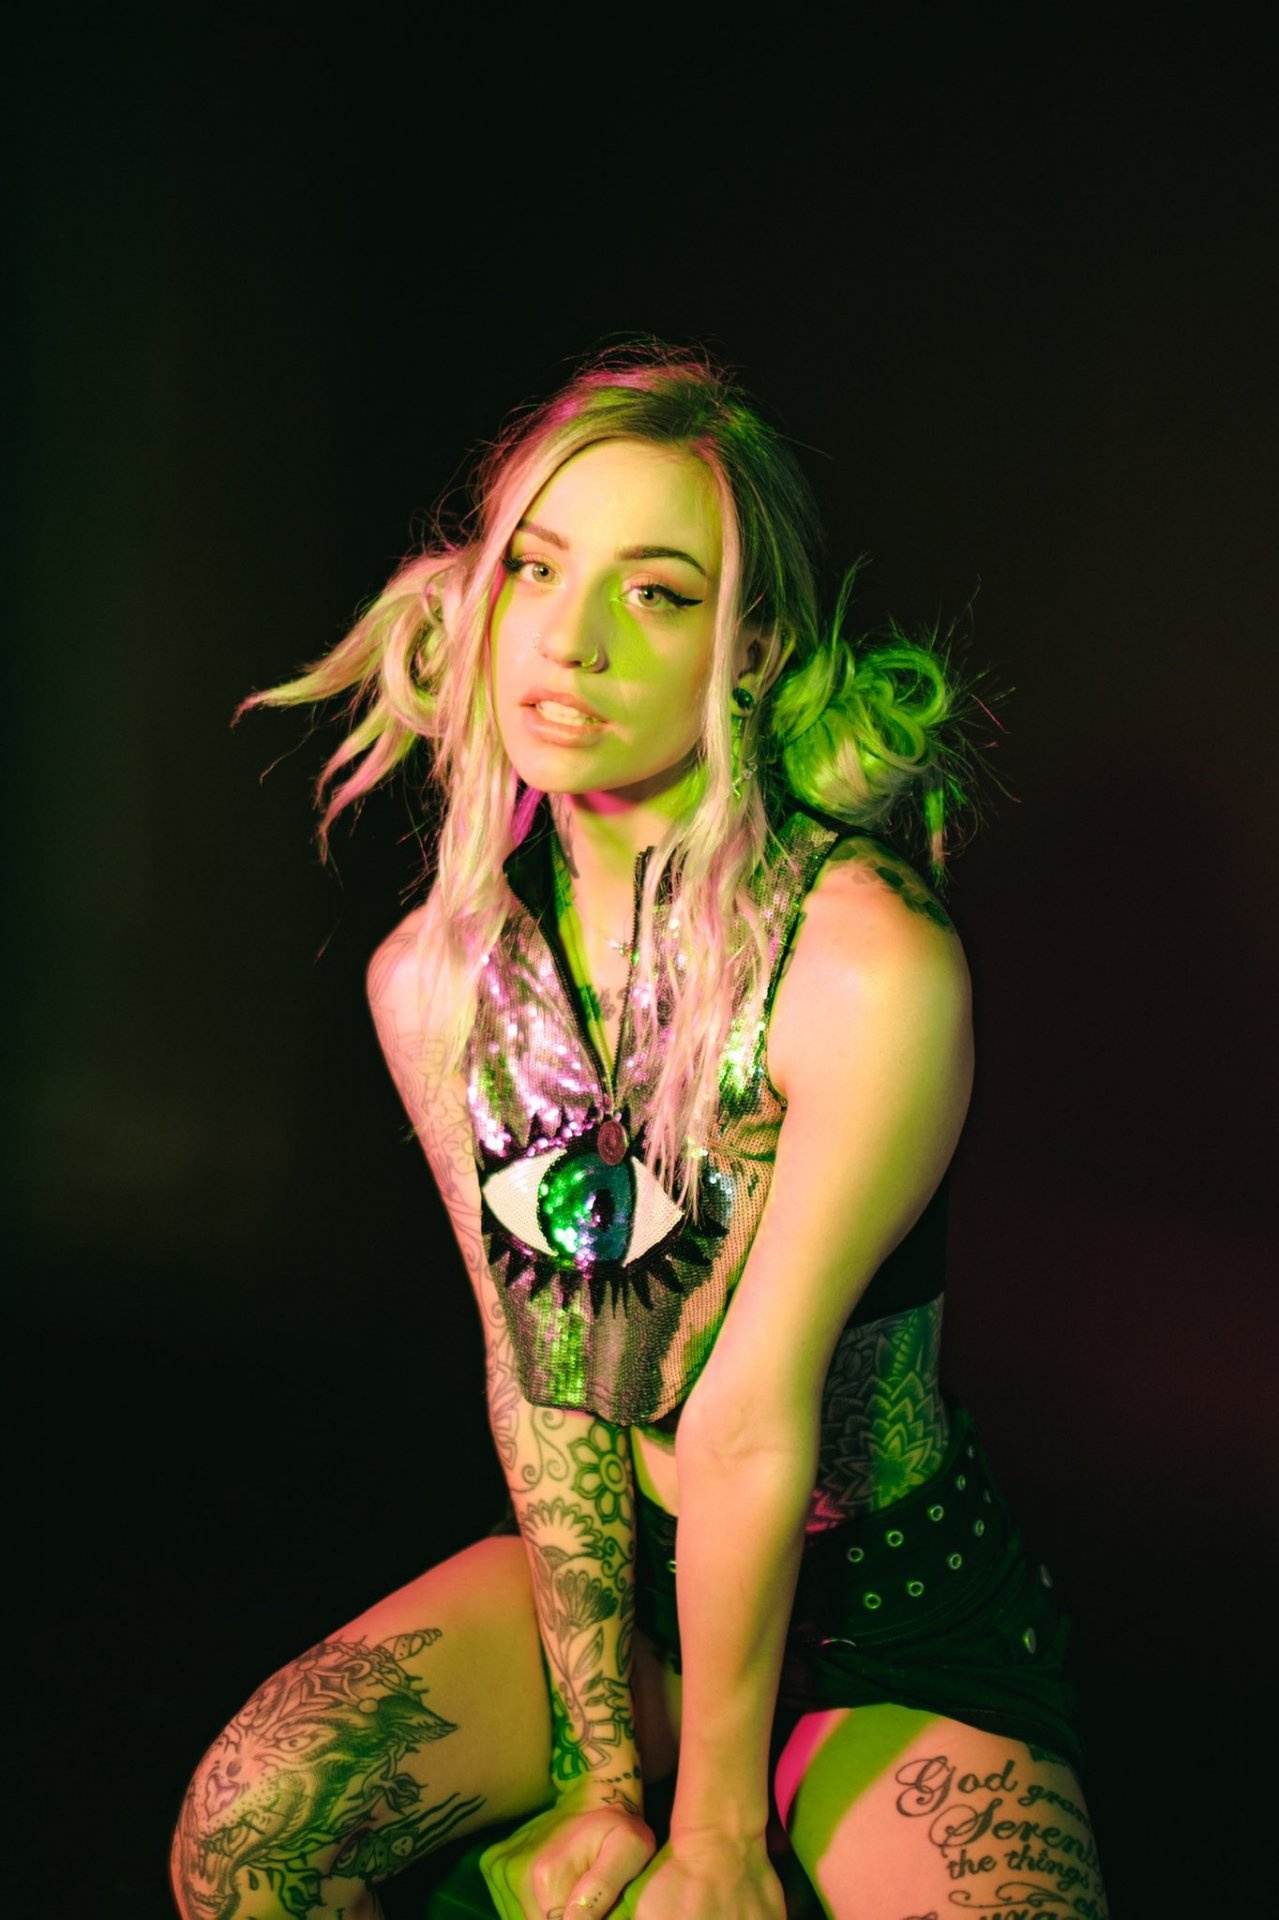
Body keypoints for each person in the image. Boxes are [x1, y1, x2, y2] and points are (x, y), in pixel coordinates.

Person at [171, 342, 1109, 1920]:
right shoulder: (438, 981)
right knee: (245, 1832)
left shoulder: (863, 964)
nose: (571, 637)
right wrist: (599, 1772)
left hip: (886, 1611)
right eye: (537, 568)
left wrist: (712, 1839)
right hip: (623, 1606)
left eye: (658, 593)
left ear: (750, 653)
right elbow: (540, 1384)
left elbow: (746, 1417)